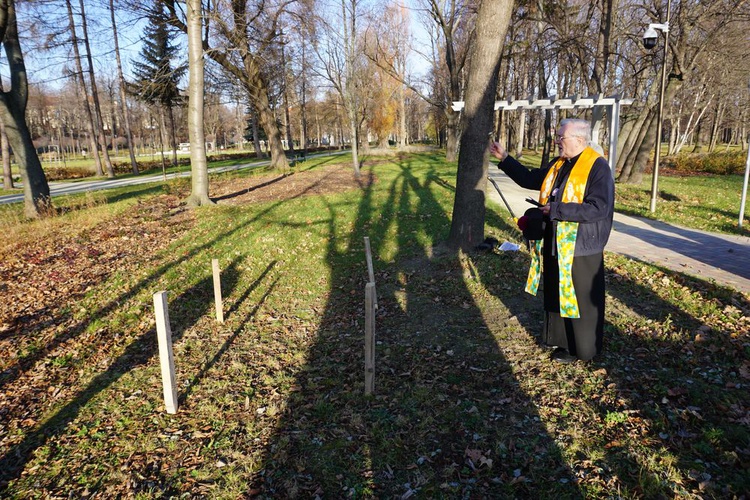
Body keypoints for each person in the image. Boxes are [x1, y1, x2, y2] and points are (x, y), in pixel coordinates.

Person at [489, 119, 614, 363]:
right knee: (559, 293)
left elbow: (599, 208)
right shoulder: (559, 164)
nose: (556, 141)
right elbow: (531, 178)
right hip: (555, 240)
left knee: (579, 299)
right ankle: (564, 343)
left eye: (561, 137)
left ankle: (585, 348)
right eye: (557, 136)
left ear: (579, 140)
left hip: (581, 247)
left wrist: (556, 210)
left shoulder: (597, 167)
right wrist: (505, 158)